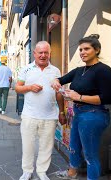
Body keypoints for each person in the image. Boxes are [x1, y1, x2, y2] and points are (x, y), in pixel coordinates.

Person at [51, 34, 111, 180]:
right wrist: (55, 81)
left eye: (87, 49)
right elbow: (61, 79)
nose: (82, 52)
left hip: (94, 115)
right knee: (74, 147)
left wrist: (78, 97)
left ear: (97, 50)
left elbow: (107, 98)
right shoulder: (79, 70)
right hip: (79, 113)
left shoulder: (103, 70)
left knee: (90, 155)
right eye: (80, 49)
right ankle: (71, 173)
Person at [15, 41, 65, 180]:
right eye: (40, 52)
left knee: (46, 145)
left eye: (46, 52)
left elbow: (58, 92)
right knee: (28, 145)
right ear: (35, 54)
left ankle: (42, 171)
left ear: (50, 54)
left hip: (50, 115)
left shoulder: (56, 71)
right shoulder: (26, 69)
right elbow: (17, 88)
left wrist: (62, 112)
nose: (43, 55)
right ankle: (27, 171)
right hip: (29, 115)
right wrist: (30, 87)